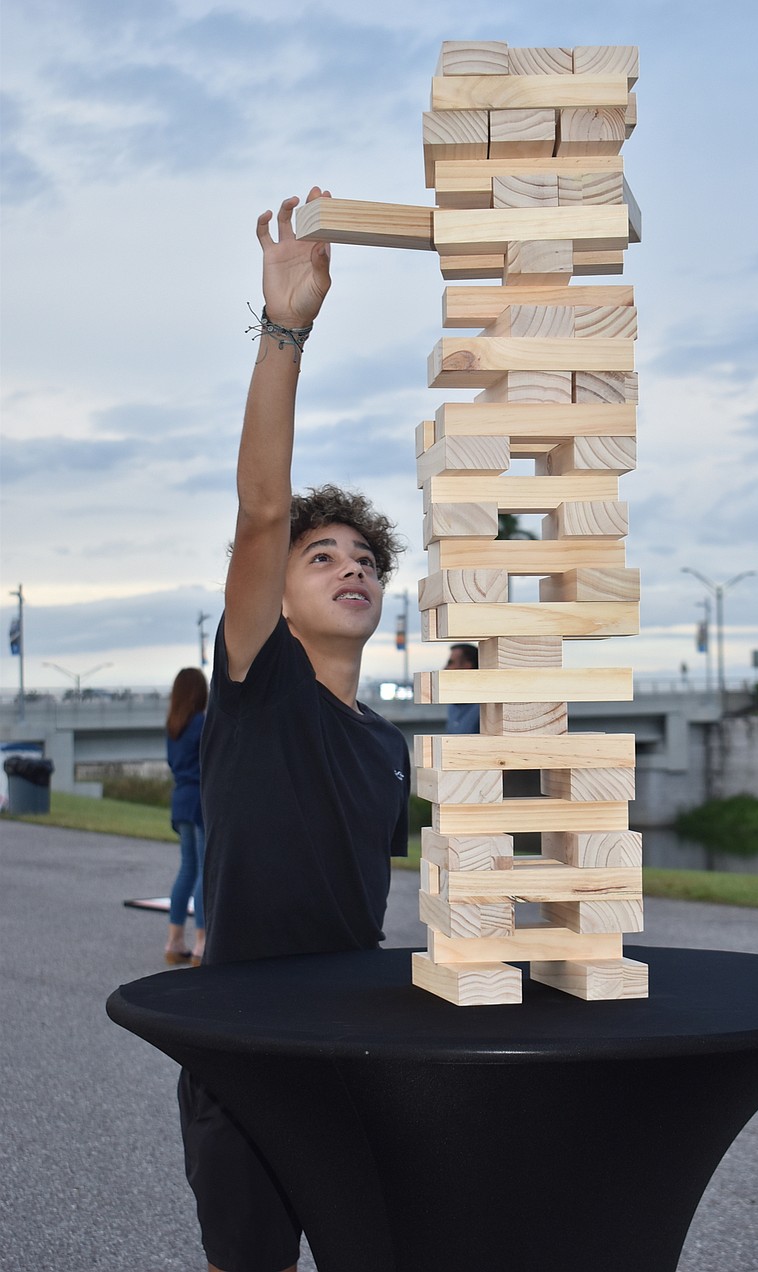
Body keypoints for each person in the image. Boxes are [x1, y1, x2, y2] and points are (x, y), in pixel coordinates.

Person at [177, 187, 410, 1272]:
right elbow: (262, 510)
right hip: (246, 1055)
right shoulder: (257, 686)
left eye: (364, 561)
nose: (352, 568)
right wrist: (287, 331)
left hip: (355, 1054)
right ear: (277, 593)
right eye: (326, 559)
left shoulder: (387, 744)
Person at [164, 667, 207, 966]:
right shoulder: (202, 724)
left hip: (179, 801)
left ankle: (174, 941)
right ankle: (202, 945)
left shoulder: (173, 726)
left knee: (187, 869)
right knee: (205, 871)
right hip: (200, 801)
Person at [444, 642, 480, 734]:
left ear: (467, 666)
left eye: (450, 663)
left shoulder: (485, 708)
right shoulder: (453, 707)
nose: (445, 668)